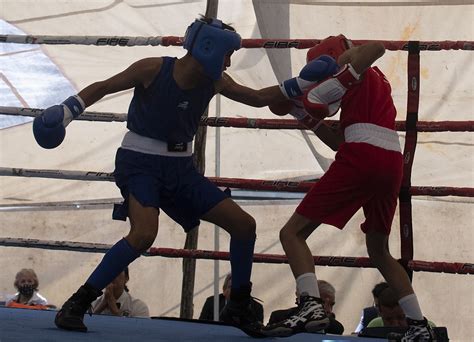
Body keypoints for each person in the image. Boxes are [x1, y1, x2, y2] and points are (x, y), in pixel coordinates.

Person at [32, 17, 336, 334]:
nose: (230, 62)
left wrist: (302, 84)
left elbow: (259, 98)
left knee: (244, 225)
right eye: (227, 54)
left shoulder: (215, 81)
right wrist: (68, 110)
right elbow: (105, 87)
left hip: (181, 168)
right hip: (140, 163)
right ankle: (77, 303)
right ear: (209, 48)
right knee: (143, 234)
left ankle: (238, 311)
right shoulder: (153, 68)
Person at [262, 34, 436, 341]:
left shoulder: (352, 69)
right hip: (390, 161)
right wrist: (304, 115)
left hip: (363, 157)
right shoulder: (370, 82)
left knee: (291, 233)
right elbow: (340, 141)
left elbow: (375, 48)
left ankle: (310, 305)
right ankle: (419, 326)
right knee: (379, 250)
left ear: (335, 59)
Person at [268, 280, 344, 335]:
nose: (329, 310)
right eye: (322, 302)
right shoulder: (279, 317)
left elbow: (338, 329)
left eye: (331, 305)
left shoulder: (332, 324)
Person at [199, 273, 263, 322]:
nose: (235, 291)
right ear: (224, 291)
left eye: (239, 289)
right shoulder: (212, 302)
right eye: (231, 287)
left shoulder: (256, 307)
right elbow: (201, 327)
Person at [366, 286, 436, 329]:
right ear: (380, 313)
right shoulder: (374, 326)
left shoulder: (430, 328)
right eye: (389, 320)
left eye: (401, 318)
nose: (395, 325)